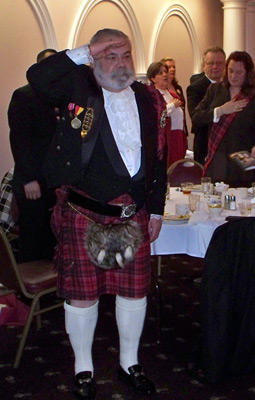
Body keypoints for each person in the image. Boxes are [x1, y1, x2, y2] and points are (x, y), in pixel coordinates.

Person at [27, 28, 167, 399]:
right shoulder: (78, 89)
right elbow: (37, 78)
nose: (120, 64)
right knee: (82, 295)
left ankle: (129, 363)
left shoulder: (149, 97)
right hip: (84, 213)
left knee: (135, 293)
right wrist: (86, 51)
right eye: (110, 56)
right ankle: (83, 369)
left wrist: (156, 209)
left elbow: (159, 158)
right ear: (94, 59)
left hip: (133, 213)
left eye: (125, 56)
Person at [192, 51, 255, 187]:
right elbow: (196, 117)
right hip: (218, 161)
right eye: (230, 71)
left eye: (239, 72)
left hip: (244, 161)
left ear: (248, 73)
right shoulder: (215, 90)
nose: (233, 76)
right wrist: (221, 110)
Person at [8, 48, 58, 262]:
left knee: (52, 238)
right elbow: (19, 141)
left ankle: (54, 290)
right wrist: (29, 179)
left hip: (55, 182)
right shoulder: (24, 95)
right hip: (33, 183)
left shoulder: (62, 97)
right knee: (33, 239)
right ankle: (31, 294)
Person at [187, 46, 226, 164]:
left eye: (219, 63)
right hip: (205, 144)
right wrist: (221, 111)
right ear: (204, 66)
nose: (215, 67)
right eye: (211, 63)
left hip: (227, 146)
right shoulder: (195, 88)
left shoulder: (231, 86)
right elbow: (196, 118)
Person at [147, 61, 188, 168]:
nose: (165, 75)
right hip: (165, 138)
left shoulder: (172, 94)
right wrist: (172, 106)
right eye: (160, 73)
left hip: (177, 136)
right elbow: (156, 115)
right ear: (152, 78)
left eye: (165, 72)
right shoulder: (152, 95)